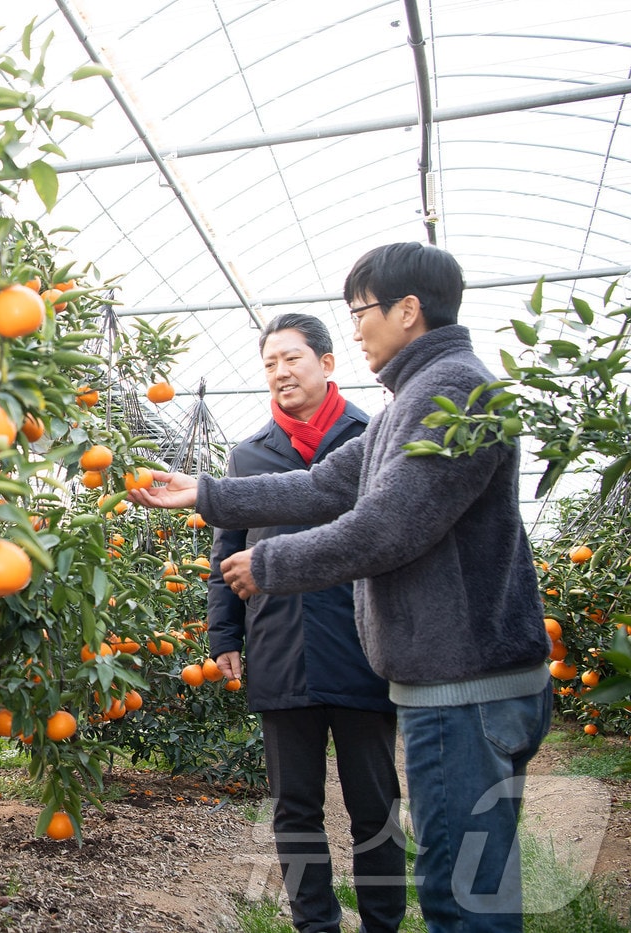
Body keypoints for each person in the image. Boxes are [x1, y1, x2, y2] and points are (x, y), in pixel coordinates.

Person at [132, 243, 551, 933]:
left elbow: (384, 528)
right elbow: (324, 484)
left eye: (361, 312)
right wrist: (204, 491)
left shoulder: (448, 392)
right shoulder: (409, 402)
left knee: (463, 897)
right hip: (419, 676)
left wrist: (269, 566)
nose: (356, 329)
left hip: (463, 684)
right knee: (457, 884)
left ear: (407, 310)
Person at [211, 312, 405, 933]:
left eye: (291, 359)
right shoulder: (248, 454)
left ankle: (382, 923)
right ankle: (313, 924)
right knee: (295, 808)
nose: (279, 373)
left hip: (360, 646)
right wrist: (224, 635)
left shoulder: (371, 438)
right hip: (280, 644)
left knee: (374, 804)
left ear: (326, 363)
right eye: (269, 364)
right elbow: (226, 552)